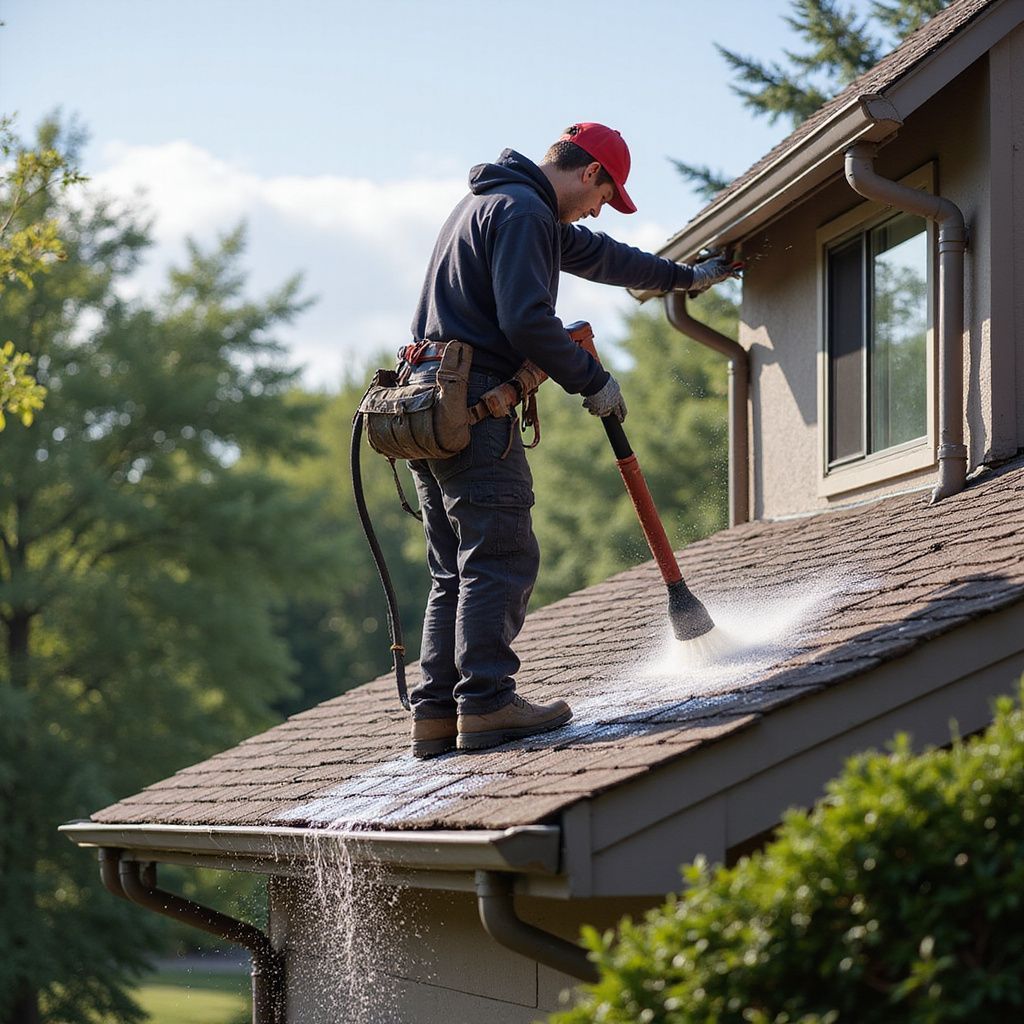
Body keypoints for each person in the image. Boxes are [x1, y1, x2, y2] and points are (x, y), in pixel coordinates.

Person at [403, 122, 737, 758]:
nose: (597, 210)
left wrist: (687, 277)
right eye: (604, 196)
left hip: (428, 410)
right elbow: (527, 320)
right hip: (477, 413)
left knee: (453, 568)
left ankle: (438, 715)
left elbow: (605, 257)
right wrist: (592, 380)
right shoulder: (526, 211)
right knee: (500, 554)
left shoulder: (493, 203)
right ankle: (488, 703)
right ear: (589, 173)